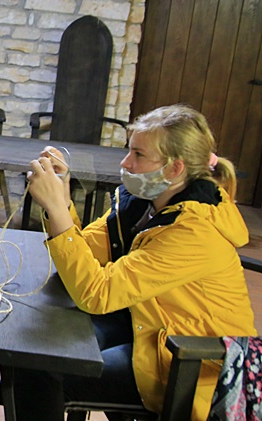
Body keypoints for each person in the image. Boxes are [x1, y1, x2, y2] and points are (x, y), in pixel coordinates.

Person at [17, 104, 257, 421]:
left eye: (138, 155)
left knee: (41, 369)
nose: (125, 163)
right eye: (129, 150)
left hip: (189, 363)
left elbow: (96, 293)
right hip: (146, 326)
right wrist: (61, 198)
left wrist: (58, 212)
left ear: (174, 169)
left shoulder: (194, 230)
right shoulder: (147, 203)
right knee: (34, 350)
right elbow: (87, 253)